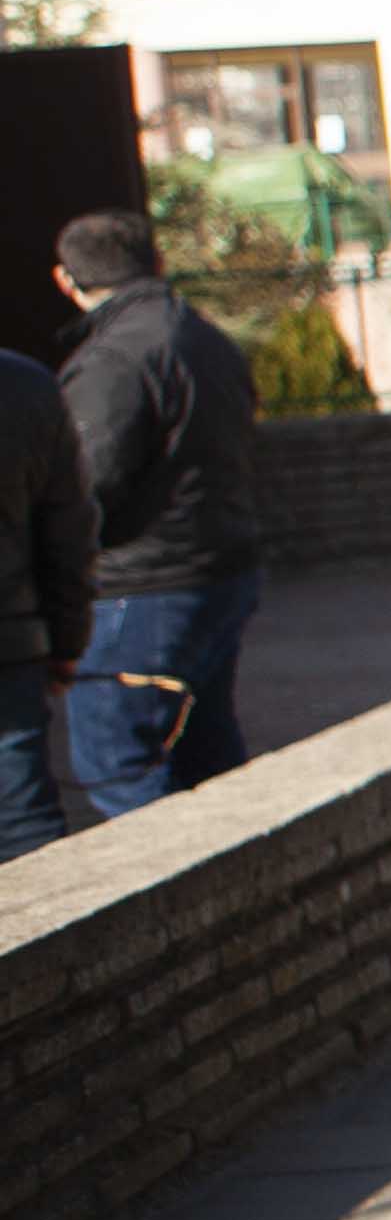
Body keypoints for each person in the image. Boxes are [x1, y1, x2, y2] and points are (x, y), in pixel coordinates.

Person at [50, 209, 263, 812]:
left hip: (143, 588)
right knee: (205, 755)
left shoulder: (114, 360)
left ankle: (188, 872)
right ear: (158, 263)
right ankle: (240, 861)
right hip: (216, 569)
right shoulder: (205, 338)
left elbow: (85, 486)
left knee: (119, 764)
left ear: (66, 279)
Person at [0, 334, 89, 858]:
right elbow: (66, 535)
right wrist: (67, 640)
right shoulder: (25, 384)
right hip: (11, 646)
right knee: (24, 827)